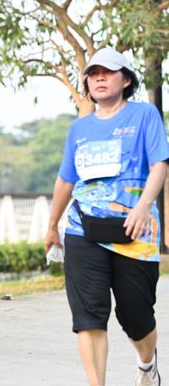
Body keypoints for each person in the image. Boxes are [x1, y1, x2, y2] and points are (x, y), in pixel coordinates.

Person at [45, 47, 169, 386]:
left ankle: (147, 363)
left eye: (107, 72)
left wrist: (143, 206)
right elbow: (66, 181)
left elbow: (160, 164)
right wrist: (52, 225)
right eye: (93, 74)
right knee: (89, 316)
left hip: (135, 228)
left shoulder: (145, 115)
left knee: (135, 315)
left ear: (126, 80)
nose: (99, 78)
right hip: (83, 228)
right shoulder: (79, 128)